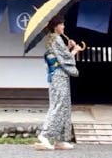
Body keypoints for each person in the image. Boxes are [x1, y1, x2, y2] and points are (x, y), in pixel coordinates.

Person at [35, 15, 83, 150]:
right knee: (59, 104)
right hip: (58, 75)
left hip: (59, 75)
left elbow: (62, 55)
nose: (64, 26)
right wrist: (74, 51)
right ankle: (45, 135)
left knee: (64, 104)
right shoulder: (55, 39)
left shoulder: (56, 39)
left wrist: (68, 48)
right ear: (56, 26)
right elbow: (64, 59)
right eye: (61, 24)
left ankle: (60, 139)